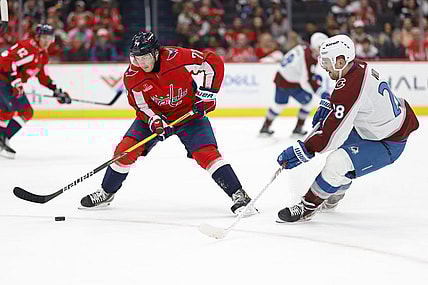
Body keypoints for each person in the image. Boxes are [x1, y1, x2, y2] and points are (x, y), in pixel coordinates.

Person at [79, 31, 258, 216]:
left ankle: (239, 195)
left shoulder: (177, 58)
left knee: (206, 153)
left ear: (156, 52)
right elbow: (141, 105)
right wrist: (155, 120)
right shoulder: (132, 75)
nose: (141, 63)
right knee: (124, 151)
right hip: (155, 117)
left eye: (145, 57)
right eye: (136, 58)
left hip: (189, 114)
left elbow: (212, 62)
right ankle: (106, 192)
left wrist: (208, 95)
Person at [275, 34, 419, 223]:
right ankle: (333, 195)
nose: (323, 66)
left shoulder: (350, 86)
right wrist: (330, 103)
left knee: (337, 162)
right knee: (340, 161)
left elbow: (331, 136)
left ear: (341, 60)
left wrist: (304, 149)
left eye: (326, 61)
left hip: (388, 141)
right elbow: (349, 98)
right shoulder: (356, 68)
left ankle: (308, 206)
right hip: (374, 129)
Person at [0, 24, 71, 159]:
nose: (46, 41)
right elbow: (7, 60)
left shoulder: (43, 55)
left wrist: (56, 91)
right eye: (44, 37)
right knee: (12, 110)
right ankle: (1, 139)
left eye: (49, 38)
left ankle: (3, 138)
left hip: (9, 83)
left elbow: (43, 77)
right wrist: (16, 82)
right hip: (2, 79)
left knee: (20, 111)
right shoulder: (28, 48)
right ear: (37, 37)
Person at [259, 32, 334, 137]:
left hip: (281, 78)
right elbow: (306, 80)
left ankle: (265, 127)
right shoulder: (308, 57)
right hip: (291, 83)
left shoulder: (303, 48)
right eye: (320, 48)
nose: (321, 52)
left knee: (279, 105)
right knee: (308, 103)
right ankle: (298, 129)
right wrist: (320, 92)